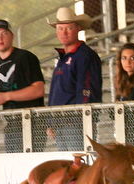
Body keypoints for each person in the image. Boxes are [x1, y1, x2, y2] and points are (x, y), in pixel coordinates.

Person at [0, 19, 46, 152]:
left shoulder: (25, 57)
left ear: (12, 36)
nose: (0, 38)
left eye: (4, 33)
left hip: (32, 123)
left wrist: (6, 96)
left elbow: (39, 90)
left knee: (31, 160)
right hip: (11, 125)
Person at [46, 7, 102, 151]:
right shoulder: (63, 58)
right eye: (60, 28)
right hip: (62, 123)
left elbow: (87, 89)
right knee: (68, 162)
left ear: (78, 28)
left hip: (76, 123)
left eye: (69, 28)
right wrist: (51, 121)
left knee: (78, 159)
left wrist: (81, 118)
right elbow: (55, 92)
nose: (64, 32)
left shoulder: (85, 56)